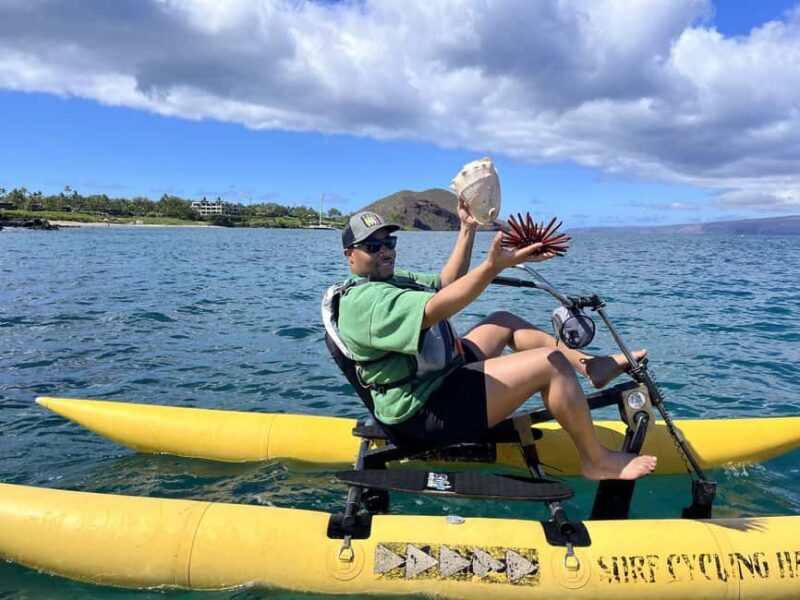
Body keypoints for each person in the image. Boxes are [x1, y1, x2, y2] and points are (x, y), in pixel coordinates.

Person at [331, 204, 657, 481]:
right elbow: (439, 307)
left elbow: (446, 284)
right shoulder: (365, 302)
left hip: (437, 375)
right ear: (350, 256)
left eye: (389, 241)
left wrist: (467, 228)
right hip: (423, 411)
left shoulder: (391, 279)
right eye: (373, 247)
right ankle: (594, 459)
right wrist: (493, 266)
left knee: (502, 321)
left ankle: (589, 365)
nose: (385, 250)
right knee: (550, 364)